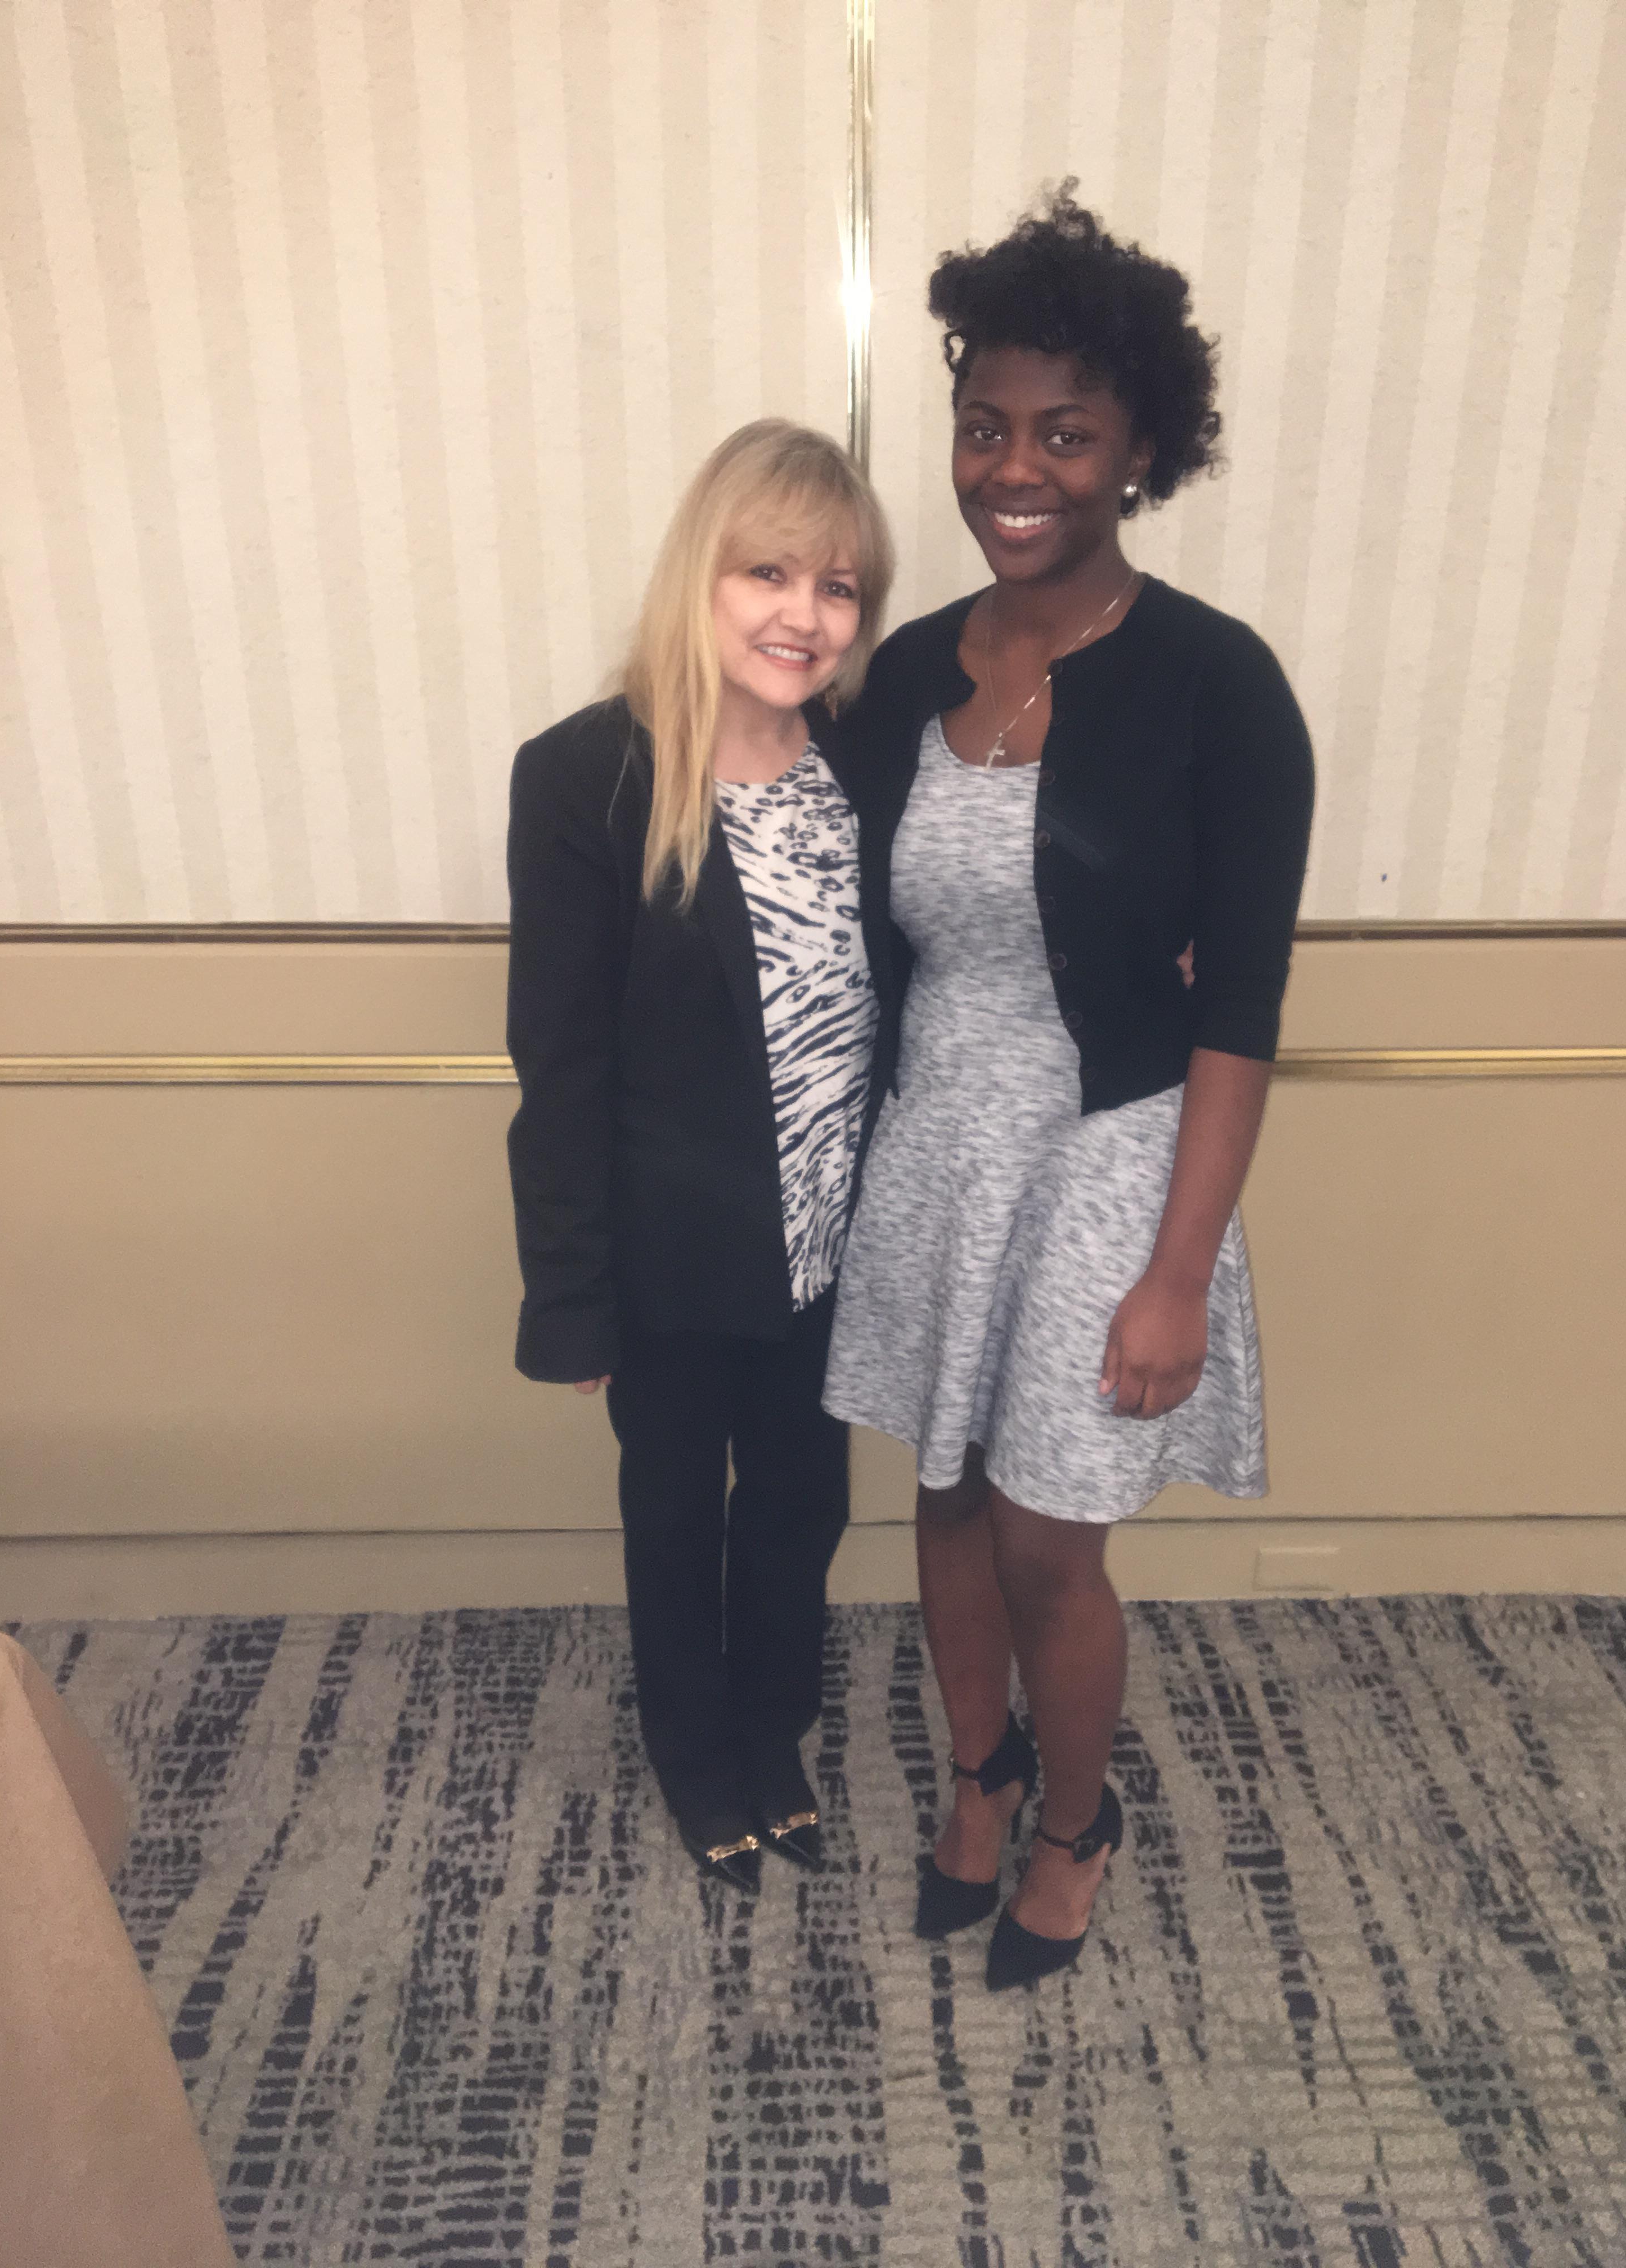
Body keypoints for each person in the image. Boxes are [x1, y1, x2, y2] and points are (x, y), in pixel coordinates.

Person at [825, 187, 1314, 1988]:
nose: (1012, 468)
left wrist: (1179, 1271)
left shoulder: (1217, 686)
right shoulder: (897, 680)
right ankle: (979, 1772)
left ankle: (1074, 1823)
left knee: (1049, 1536)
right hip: (936, 1132)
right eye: (986, 425)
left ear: (1136, 453)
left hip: (1115, 1142)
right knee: (943, 1495)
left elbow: (1239, 1010)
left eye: (1065, 432)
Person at [506, 420, 895, 1891]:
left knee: (804, 1508)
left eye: (842, 587)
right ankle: (693, 1749)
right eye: (771, 571)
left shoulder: (866, 767)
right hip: (671, 1258)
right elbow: (562, 1068)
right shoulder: (590, 779)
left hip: (834, 1248)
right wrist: (572, 1297)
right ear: (703, 575)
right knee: (676, 1513)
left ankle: (773, 1728)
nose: (806, 613)